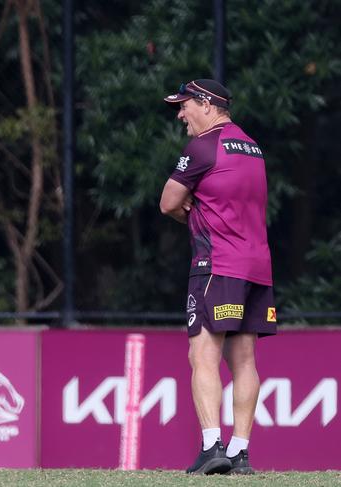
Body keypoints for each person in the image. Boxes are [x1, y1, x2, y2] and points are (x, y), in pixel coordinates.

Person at [160, 79, 277, 475]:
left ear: (207, 105)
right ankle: (241, 453)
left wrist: (190, 212)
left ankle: (213, 447)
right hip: (257, 266)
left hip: (217, 266)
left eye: (184, 105)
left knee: (202, 355)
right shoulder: (253, 147)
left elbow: (167, 203)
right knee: (244, 361)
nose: (180, 114)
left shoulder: (203, 146)